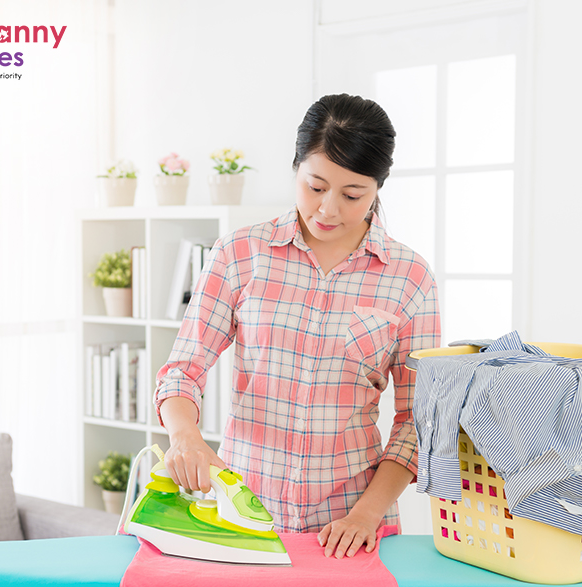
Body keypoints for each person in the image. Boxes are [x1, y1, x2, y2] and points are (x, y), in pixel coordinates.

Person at [154, 93, 441, 560]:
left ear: (377, 188)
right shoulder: (239, 255)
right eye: (315, 186)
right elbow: (182, 370)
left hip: (352, 529)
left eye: (352, 196)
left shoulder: (410, 278)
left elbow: (418, 421)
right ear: (296, 168)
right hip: (244, 518)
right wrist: (185, 436)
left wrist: (366, 514)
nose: (328, 209)